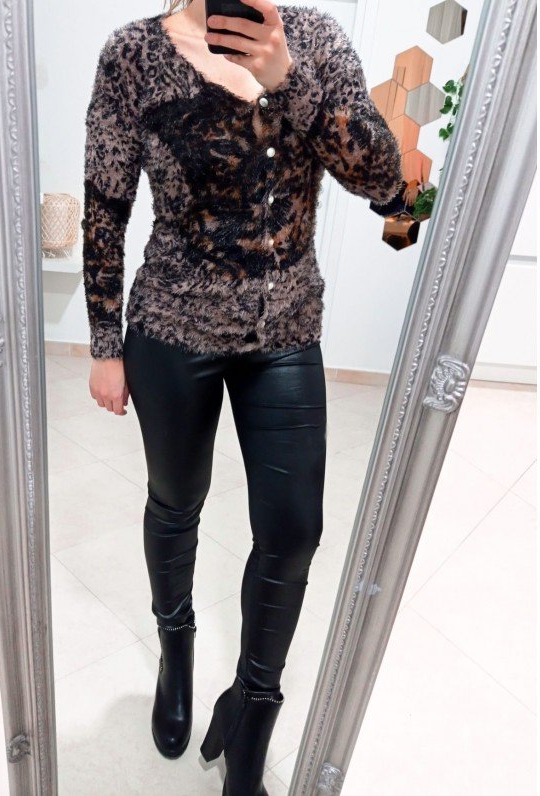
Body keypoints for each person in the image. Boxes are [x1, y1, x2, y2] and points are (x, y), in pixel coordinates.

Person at [81, 0, 403, 792]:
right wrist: (104, 343)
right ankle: (177, 649)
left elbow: (382, 177)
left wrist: (288, 80)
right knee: (175, 502)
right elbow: (104, 201)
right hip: (171, 327)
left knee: (294, 533)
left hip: (284, 329)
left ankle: (253, 708)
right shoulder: (132, 54)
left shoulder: (314, 39)